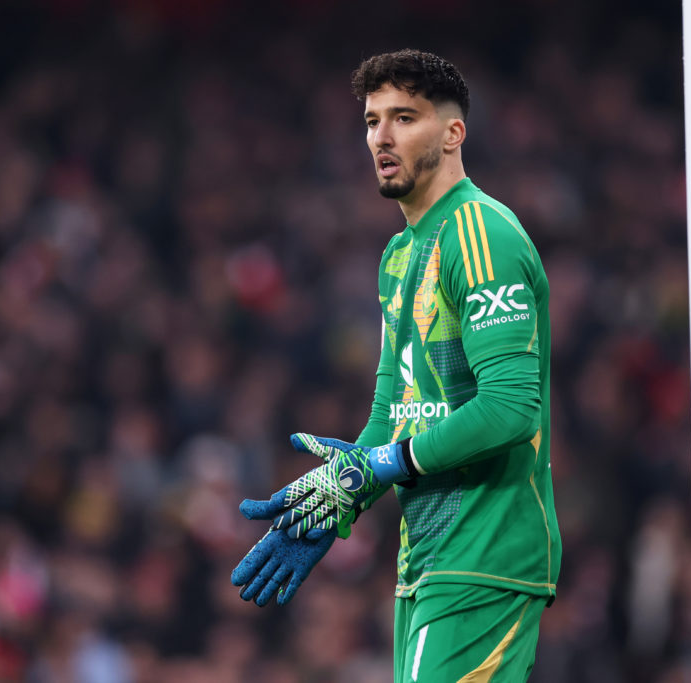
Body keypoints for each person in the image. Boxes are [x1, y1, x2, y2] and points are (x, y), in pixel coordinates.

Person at [233, 48, 562, 682]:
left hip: (486, 551)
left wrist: (389, 462)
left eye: (404, 118)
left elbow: (512, 407)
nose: (381, 137)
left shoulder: (482, 234)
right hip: (428, 558)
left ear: (453, 132)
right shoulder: (397, 254)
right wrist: (340, 494)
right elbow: (395, 408)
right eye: (371, 120)